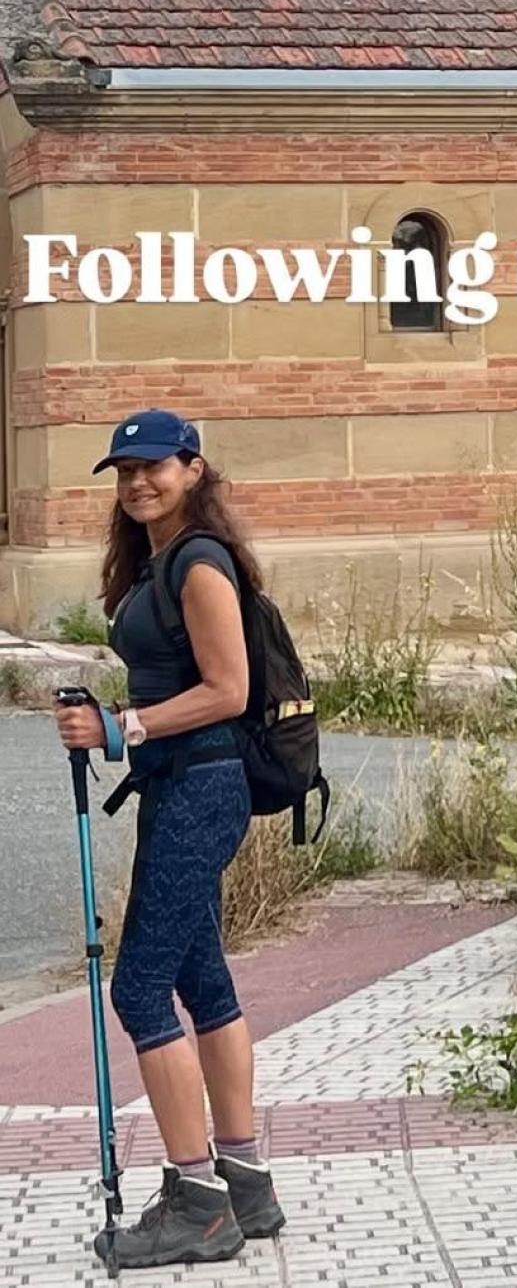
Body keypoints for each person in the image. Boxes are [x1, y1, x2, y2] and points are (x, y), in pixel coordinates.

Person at [54, 409, 286, 1270]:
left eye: (153, 466)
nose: (137, 482)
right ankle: (243, 1180)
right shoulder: (160, 559)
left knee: (140, 988)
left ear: (194, 468)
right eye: (124, 471)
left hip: (202, 782)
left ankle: (200, 1205)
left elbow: (228, 690)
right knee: (200, 973)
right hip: (179, 784)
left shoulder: (199, 562)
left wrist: (124, 730)